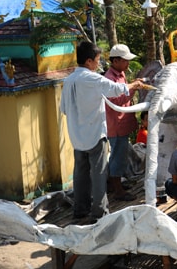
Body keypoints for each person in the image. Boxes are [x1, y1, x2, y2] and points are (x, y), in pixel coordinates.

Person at [60, 41, 143, 222]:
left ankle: (80, 209)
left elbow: (64, 109)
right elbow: (116, 90)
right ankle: (100, 212)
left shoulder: (68, 81)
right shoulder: (92, 78)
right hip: (95, 134)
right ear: (89, 61)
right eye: (97, 60)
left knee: (80, 174)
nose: (98, 64)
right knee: (99, 174)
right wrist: (135, 85)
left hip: (77, 136)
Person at [104, 44, 140, 201]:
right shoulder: (109, 79)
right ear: (116, 60)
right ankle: (118, 190)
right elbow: (118, 100)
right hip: (116, 125)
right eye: (125, 61)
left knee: (121, 156)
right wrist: (133, 89)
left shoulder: (120, 74)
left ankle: (115, 184)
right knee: (118, 157)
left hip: (122, 122)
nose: (128, 64)